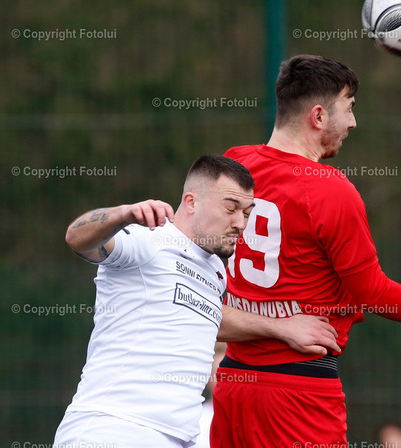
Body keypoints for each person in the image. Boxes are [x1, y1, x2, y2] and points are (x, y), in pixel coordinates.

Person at [211, 55, 401, 447]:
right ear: (318, 116)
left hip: (233, 384)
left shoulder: (234, 164)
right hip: (296, 394)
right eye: (348, 108)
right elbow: (374, 293)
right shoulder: (330, 190)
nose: (353, 122)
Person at [53, 154, 341, 448]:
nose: (240, 223)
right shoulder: (147, 239)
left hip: (177, 437)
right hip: (114, 427)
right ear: (191, 202)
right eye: (230, 208)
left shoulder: (216, 270)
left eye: (246, 213)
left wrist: (282, 327)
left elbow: (209, 318)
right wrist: (122, 214)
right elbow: (77, 239)